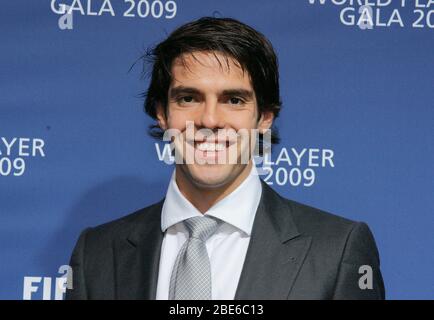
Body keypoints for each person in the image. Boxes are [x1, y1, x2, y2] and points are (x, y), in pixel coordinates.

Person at [66, 17, 385, 300]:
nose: (209, 119)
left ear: (264, 118)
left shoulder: (337, 250)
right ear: (162, 114)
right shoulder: (96, 253)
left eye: (233, 100)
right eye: (188, 98)